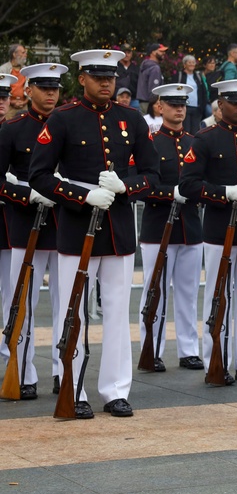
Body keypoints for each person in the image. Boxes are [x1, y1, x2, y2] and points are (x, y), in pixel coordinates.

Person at [28, 48, 160, 418]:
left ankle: (115, 390)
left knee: (118, 313)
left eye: (111, 77)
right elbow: (39, 175)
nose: (106, 83)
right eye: (98, 77)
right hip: (75, 231)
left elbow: (153, 175)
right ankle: (73, 386)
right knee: (73, 312)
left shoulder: (131, 119)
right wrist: (82, 194)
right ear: (82, 79)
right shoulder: (63, 119)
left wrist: (125, 187)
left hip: (117, 231)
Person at [178, 78, 237, 387]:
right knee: (218, 296)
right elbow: (188, 185)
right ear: (220, 104)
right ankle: (215, 359)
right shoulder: (205, 139)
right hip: (219, 229)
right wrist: (224, 192)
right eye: (236, 102)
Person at [0, 64, 65, 399]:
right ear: (29, 91)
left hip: (65, 221)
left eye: (55, 87)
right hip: (25, 223)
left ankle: (62, 370)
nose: (51, 93)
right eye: (43, 87)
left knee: (67, 302)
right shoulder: (13, 130)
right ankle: (23, 372)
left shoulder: (68, 123)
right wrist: (25, 194)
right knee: (21, 303)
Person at [138, 84, 204, 373]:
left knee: (188, 293)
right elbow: (141, 186)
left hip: (190, 226)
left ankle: (189, 350)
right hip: (157, 226)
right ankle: (151, 348)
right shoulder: (150, 142)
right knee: (155, 291)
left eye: (183, 104)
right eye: (173, 104)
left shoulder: (195, 142)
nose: (179, 109)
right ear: (159, 107)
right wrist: (169, 194)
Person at [173, 55, 209, 134]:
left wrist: (202, 106)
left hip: (197, 108)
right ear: (184, 64)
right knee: (185, 131)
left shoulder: (198, 76)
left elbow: (203, 91)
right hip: (184, 107)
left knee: (195, 131)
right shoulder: (180, 76)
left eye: (193, 62)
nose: (192, 64)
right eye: (189, 62)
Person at [136, 43, 166, 113]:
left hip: (143, 102)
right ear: (153, 52)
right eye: (161, 51)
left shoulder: (146, 65)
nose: (163, 53)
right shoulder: (154, 68)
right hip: (150, 104)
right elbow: (154, 90)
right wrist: (155, 104)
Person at [115, 44, 140, 110]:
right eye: (124, 52)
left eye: (128, 52)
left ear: (131, 54)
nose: (127, 54)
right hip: (117, 99)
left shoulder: (136, 68)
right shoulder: (115, 67)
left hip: (133, 99)